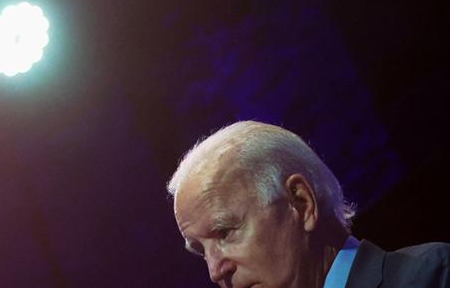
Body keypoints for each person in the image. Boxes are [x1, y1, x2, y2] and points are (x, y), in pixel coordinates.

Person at [167, 120, 450, 288]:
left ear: (301, 203)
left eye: (225, 232)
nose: (215, 271)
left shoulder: (431, 276)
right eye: (201, 251)